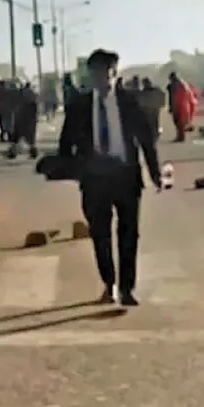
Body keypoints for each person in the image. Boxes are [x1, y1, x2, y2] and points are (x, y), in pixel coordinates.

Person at [58, 49, 161, 307]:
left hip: (126, 176)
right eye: (96, 74)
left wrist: (155, 173)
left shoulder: (131, 102)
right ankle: (109, 283)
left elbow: (147, 140)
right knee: (100, 234)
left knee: (129, 234)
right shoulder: (79, 106)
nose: (101, 80)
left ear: (115, 74)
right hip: (94, 179)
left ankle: (127, 288)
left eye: (106, 73)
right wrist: (72, 169)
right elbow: (65, 143)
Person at [7, 82, 39, 159]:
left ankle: (13, 152)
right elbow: (35, 108)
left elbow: (15, 106)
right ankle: (33, 152)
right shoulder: (32, 96)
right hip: (29, 119)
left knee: (16, 137)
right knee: (30, 138)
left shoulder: (20, 94)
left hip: (21, 118)